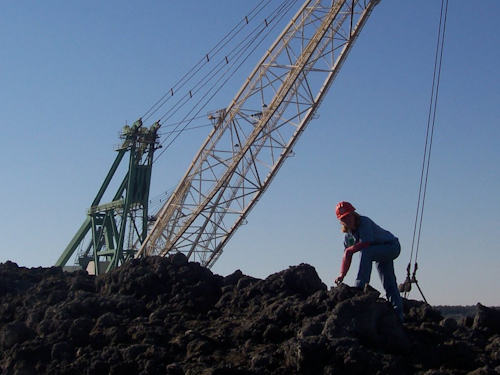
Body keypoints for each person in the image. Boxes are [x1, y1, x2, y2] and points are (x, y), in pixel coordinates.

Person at [334, 201, 404, 321]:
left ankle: (360, 285)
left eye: (349, 215)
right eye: (344, 218)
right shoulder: (349, 236)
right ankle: (398, 317)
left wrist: (350, 251)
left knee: (366, 251)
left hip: (391, 246)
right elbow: (347, 255)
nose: (348, 219)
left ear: (354, 214)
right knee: (389, 284)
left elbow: (366, 243)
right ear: (341, 221)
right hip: (378, 252)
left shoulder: (364, 222)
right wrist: (342, 275)